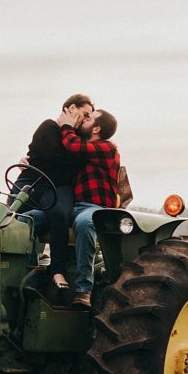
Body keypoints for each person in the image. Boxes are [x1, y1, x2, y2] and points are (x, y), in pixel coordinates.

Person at [14, 94, 95, 290]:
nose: (85, 120)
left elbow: (69, 161)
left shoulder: (81, 139)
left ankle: (57, 271)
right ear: (71, 108)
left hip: (58, 186)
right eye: (84, 114)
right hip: (34, 182)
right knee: (13, 219)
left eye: (88, 117)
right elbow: (55, 157)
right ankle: (28, 278)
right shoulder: (49, 127)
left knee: (59, 213)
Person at [60, 108, 120, 308]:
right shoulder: (85, 152)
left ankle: (83, 290)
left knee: (85, 223)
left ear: (97, 128)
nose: (84, 119)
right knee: (30, 218)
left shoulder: (107, 148)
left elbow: (72, 144)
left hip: (96, 209)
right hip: (73, 207)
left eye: (89, 118)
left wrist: (66, 125)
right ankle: (32, 282)